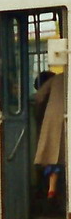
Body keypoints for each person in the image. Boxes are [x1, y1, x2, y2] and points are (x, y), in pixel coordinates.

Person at [34, 68, 66, 201]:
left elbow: (39, 97)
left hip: (53, 120)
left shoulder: (57, 79)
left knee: (52, 156)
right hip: (65, 118)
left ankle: (51, 189)